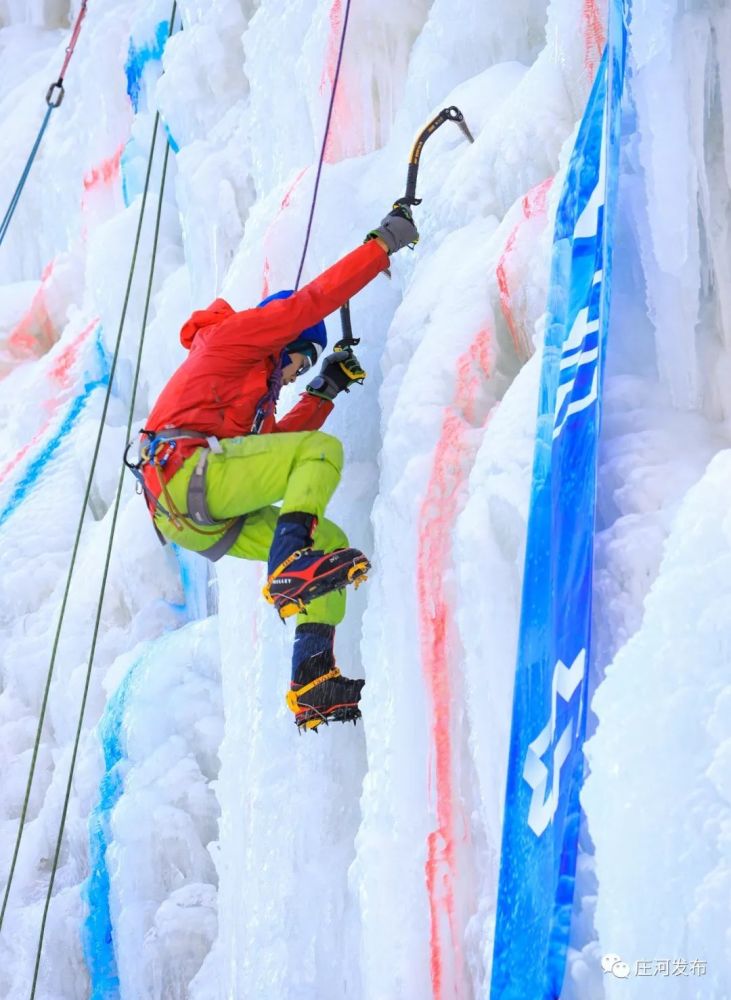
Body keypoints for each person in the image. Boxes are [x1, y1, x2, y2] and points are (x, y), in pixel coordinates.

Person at [134, 204, 419, 730]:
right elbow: (313, 300)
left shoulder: (250, 401)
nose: (296, 373)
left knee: (327, 539)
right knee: (322, 452)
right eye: (302, 360)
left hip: (188, 514)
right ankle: (289, 562)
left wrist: (324, 390)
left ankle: (312, 676)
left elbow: (269, 452)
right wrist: (380, 247)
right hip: (186, 472)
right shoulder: (239, 336)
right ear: (284, 341)